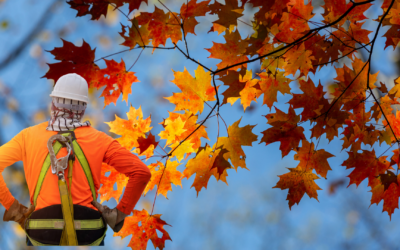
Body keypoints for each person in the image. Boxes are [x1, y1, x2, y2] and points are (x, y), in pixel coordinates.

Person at [0, 73, 151, 246]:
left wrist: (16, 211)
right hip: (89, 231)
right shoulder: (100, 140)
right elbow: (141, 173)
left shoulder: (28, 137)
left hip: (39, 230)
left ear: (53, 102)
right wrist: (119, 213)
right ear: (84, 108)